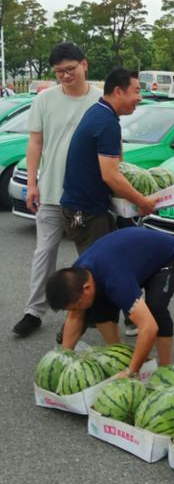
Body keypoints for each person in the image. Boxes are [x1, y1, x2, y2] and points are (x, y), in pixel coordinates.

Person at [12, 43, 102, 338]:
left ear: (84, 65)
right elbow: (35, 142)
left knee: (90, 255)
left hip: (86, 196)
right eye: (59, 71)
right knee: (44, 253)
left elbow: (113, 148)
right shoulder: (44, 100)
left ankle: (94, 311)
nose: (65, 75)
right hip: (51, 192)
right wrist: (32, 184)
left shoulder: (100, 100)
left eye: (70, 69)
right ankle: (33, 311)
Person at [46, 228, 174, 375]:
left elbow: (149, 328)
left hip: (169, 257)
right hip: (134, 261)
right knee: (97, 307)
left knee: (156, 307)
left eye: (76, 307)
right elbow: (74, 317)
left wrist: (131, 371)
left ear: (86, 288)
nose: (76, 311)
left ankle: (166, 371)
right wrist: (63, 359)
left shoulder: (116, 282)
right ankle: (119, 357)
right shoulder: (77, 276)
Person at [60, 67, 157, 254]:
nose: (140, 97)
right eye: (136, 91)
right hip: (87, 212)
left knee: (109, 261)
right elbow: (111, 176)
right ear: (118, 91)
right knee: (97, 270)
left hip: (83, 208)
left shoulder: (98, 111)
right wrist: (142, 202)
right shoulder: (106, 123)